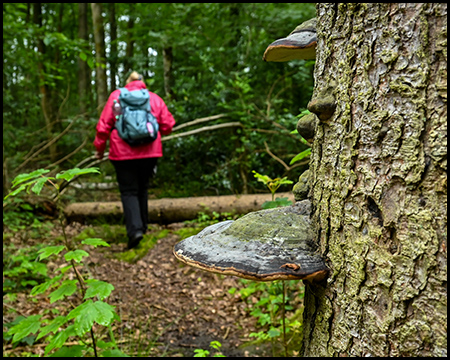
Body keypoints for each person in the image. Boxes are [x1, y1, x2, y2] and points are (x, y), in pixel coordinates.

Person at [93, 71, 176, 249]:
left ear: (127, 82)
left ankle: (134, 231)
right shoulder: (153, 98)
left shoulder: (116, 97)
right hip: (150, 152)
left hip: (122, 153)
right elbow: (168, 125)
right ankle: (143, 228)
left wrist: (99, 150)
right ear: (142, 82)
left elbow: (103, 126)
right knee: (142, 188)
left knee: (129, 191)